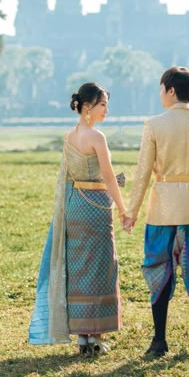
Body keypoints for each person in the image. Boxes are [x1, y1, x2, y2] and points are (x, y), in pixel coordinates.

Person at [124, 66, 189, 356]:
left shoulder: (154, 125)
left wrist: (132, 211)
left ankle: (159, 341)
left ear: (170, 90)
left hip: (162, 209)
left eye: (161, 89)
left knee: (159, 271)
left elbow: (142, 173)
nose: (160, 95)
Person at [29, 83, 127, 356]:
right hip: (95, 209)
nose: (107, 110)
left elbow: (74, 176)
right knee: (100, 267)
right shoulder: (97, 137)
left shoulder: (69, 137)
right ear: (87, 108)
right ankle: (96, 335)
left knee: (79, 269)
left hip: (74, 208)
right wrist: (122, 208)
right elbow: (107, 177)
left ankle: (82, 337)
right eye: (102, 104)